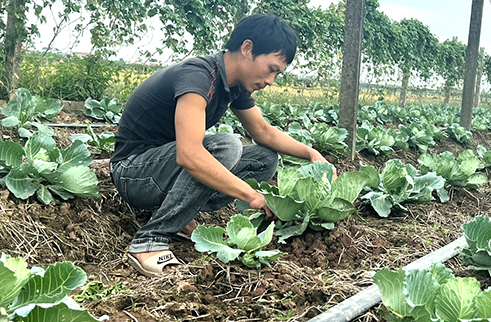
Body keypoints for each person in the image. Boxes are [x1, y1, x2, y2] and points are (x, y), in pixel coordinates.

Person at [111, 14, 331, 276]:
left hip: (161, 171)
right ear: (247, 48)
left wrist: (312, 153)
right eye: (272, 69)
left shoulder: (234, 86)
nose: (271, 81)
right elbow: (189, 154)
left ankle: (179, 219)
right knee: (225, 146)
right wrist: (251, 195)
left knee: (265, 158)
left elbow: (262, 132)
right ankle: (149, 241)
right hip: (133, 173)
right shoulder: (199, 76)